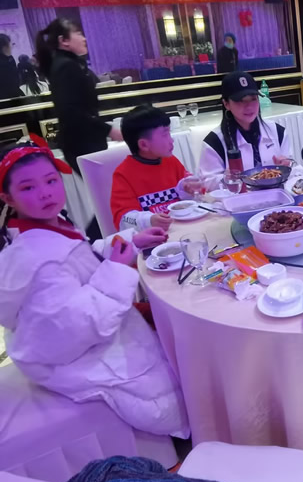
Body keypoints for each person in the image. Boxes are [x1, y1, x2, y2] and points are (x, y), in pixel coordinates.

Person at [0, 142, 189, 438]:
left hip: (79, 332)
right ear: (8, 198)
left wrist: (132, 241)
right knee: (180, 379)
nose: (45, 193)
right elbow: (73, 326)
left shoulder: (39, 228)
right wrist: (116, 270)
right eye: (28, 187)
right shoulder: (41, 260)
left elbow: (83, 256)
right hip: (74, 355)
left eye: (51, 181)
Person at [36, 19, 122, 174]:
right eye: (78, 33)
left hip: (83, 139)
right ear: (64, 41)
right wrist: (108, 130)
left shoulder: (65, 63)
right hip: (82, 140)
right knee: (103, 186)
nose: (84, 38)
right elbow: (71, 110)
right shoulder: (66, 66)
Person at [110, 105, 200, 232]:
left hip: (182, 229)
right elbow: (122, 219)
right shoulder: (123, 174)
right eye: (165, 135)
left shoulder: (171, 161)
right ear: (144, 145)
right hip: (153, 237)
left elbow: (187, 199)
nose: (171, 140)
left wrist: (188, 189)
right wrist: (149, 220)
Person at [199, 71, 291, 185]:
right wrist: (226, 179)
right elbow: (207, 182)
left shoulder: (278, 132)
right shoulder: (214, 142)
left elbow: (296, 171)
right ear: (226, 104)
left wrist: (288, 166)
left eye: (253, 99)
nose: (249, 106)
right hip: (237, 196)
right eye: (240, 100)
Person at [0, 34, 22, 99]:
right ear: (4, 47)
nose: (12, 47)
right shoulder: (7, 62)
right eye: (11, 44)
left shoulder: (10, 58)